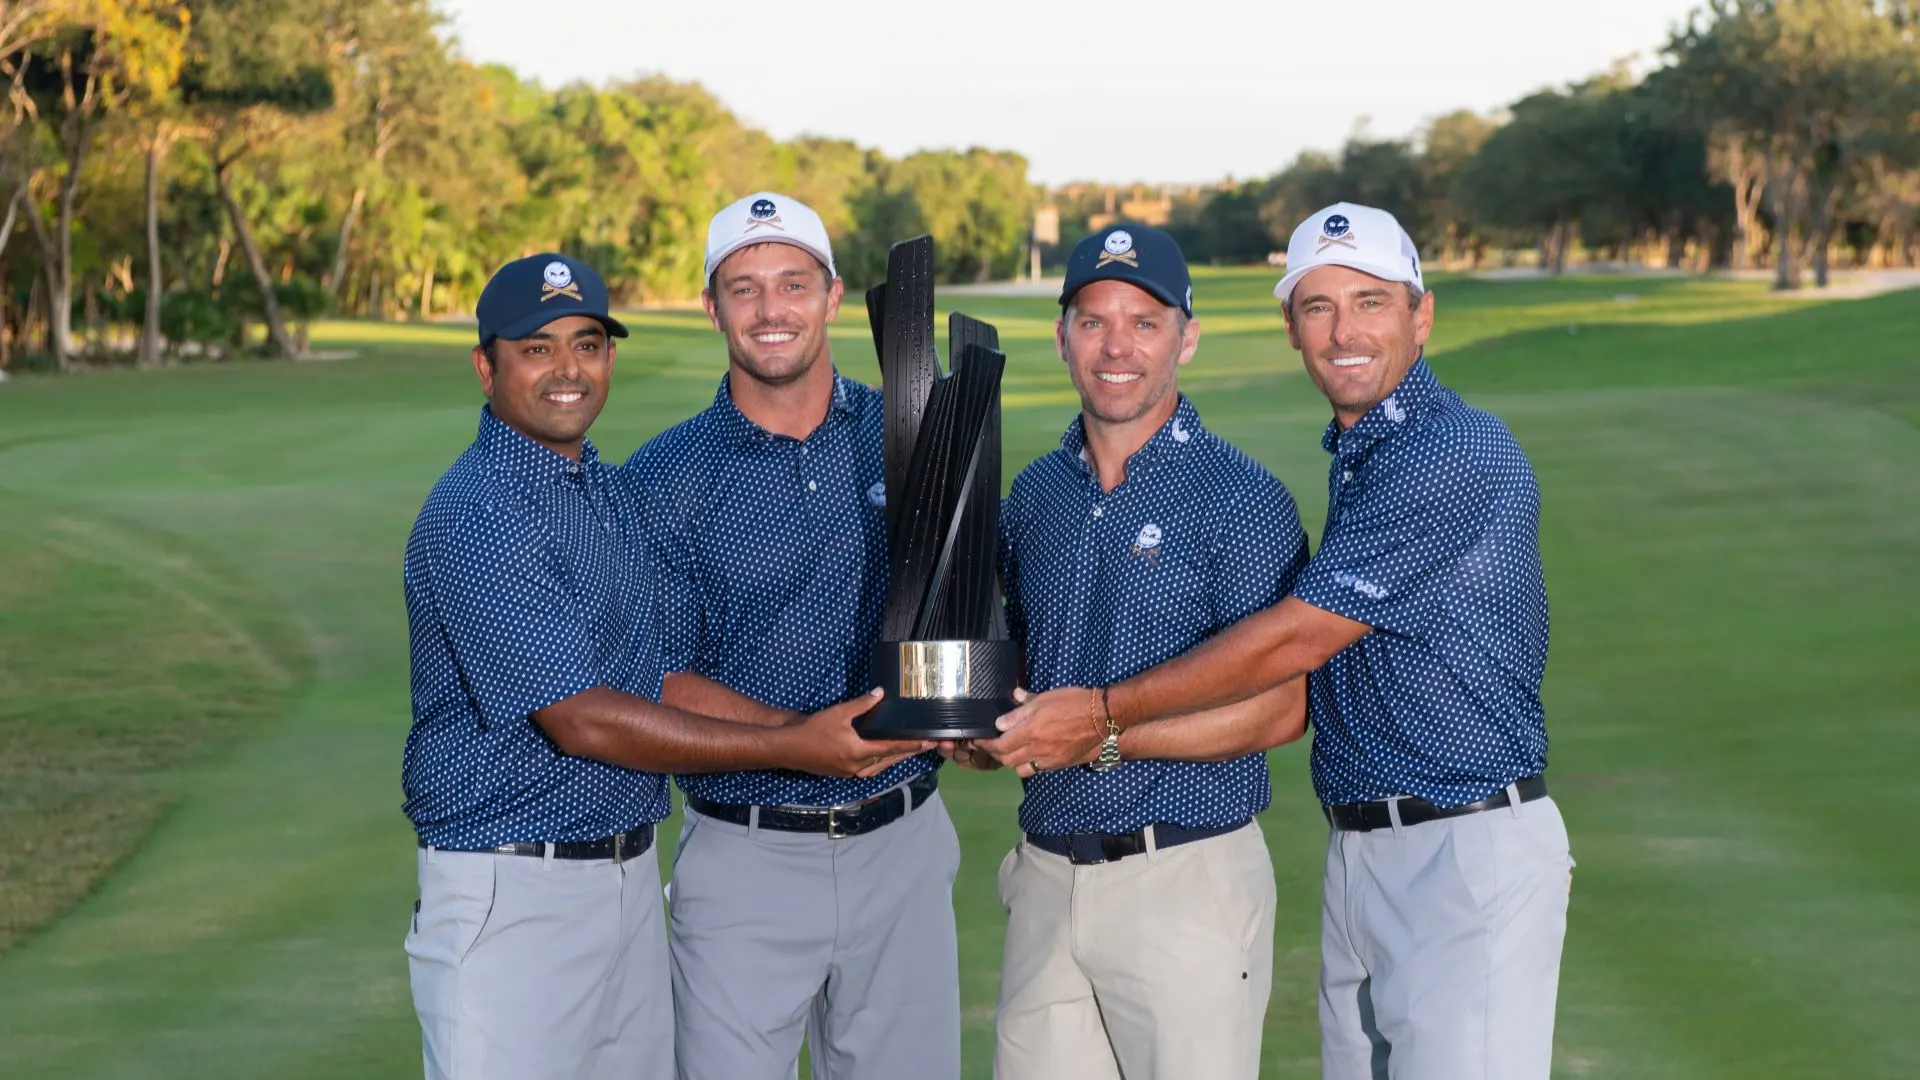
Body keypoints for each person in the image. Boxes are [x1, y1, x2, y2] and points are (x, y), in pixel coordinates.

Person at [995, 202, 1573, 1080]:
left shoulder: (1450, 451)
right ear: (1291, 328)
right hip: (1361, 846)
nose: (1344, 330)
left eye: (1371, 302)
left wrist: (1103, 721)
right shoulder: (1364, 453)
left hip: (1466, 846)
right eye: (1318, 307)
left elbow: (1293, 646)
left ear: (1422, 314)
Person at [400, 252, 925, 1080]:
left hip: (626, 882)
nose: (568, 369)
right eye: (536, 349)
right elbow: (583, 719)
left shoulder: (601, 490)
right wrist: (796, 745)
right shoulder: (480, 513)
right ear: (485, 365)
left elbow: (658, 674)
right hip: (511, 891)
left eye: (587, 343)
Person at [964, 223, 1311, 1080]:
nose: (1116, 347)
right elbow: (1014, 672)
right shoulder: (1035, 496)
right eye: (1093, 321)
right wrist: (978, 724)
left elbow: (1281, 708)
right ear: (1062, 337)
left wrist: (1102, 735)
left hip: (1186, 877)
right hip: (1045, 878)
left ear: (1186, 337)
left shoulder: (1242, 499)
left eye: (1144, 322)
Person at [626, 193, 961, 1080]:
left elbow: (969, 605)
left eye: (791, 284)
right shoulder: (660, 479)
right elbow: (656, 677)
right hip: (746, 854)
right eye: (744, 289)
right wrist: (795, 743)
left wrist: (974, 710)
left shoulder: (915, 434)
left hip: (903, 843)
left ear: (833, 294)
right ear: (712, 307)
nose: (771, 310)